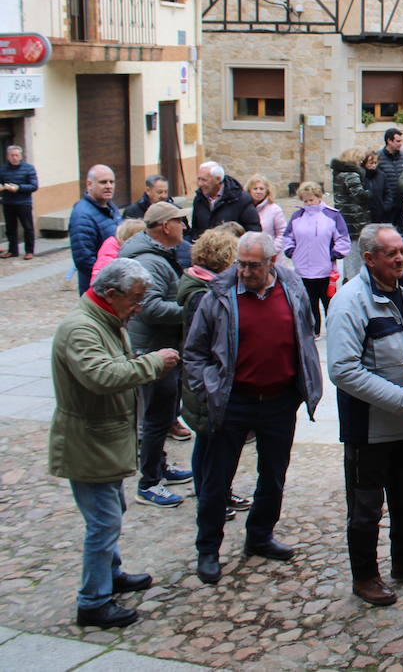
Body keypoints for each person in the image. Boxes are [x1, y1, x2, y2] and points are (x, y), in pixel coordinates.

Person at [183, 232, 324, 586]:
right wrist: (209, 388)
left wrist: (303, 385)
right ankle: (208, 549)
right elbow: (194, 352)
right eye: (240, 264)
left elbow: (305, 335)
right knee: (217, 479)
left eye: (253, 265)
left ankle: (260, 536)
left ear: (272, 262)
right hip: (233, 400)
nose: (244, 271)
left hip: (279, 399)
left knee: (273, 474)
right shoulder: (218, 296)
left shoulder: (292, 290)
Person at [49, 258, 180, 628]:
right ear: (111, 294)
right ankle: (92, 601)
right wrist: (152, 364)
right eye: (135, 299)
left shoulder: (107, 319)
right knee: (104, 522)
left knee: (111, 511)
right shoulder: (81, 328)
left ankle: (111, 575)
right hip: (88, 441)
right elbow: (101, 374)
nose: (139, 307)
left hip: (103, 438)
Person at [327, 224, 403, 608]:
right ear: (369, 258)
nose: (400, 258)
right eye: (391, 253)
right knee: (365, 508)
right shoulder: (349, 302)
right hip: (369, 429)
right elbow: (343, 370)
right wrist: (401, 398)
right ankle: (365, 576)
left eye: (401, 250)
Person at [120, 202, 192, 509]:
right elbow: (150, 309)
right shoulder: (149, 261)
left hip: (161, 346)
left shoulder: (158, 255)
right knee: (154, 417)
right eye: (179, 222)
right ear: (165, 226)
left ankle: (159, 467)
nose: (184, 228)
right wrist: (193, 309)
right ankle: (149, 482)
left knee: (162, 414)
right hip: (152, 348)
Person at [175, 228, 242, 513]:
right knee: (207, 443)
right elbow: (202, 344)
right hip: (205, 381)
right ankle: (208, 497)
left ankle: (219, 494)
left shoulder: (203, 285)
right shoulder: (201, 293)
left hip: (208, 379)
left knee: (215, 443)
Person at [281, 182, 350, 335]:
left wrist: (334, 254)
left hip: (324, 268)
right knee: (309, 302)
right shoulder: (297, 216)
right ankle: (314, 330)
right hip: (303, 267)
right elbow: (287, 237)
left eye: (311, 200)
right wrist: (291, 251)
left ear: (319, 197)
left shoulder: (332, 215)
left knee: (328, 302)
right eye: (305, 201)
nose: (308, 204)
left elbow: (343, 238)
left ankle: (334, 330)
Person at [70, 165, 123, 295]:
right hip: (99, 288)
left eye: (111, 182)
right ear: (89, 184)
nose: (109, 186)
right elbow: (84, 260)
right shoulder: (82, 215)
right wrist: (112, 279)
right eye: (103, 182)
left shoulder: (111, 207)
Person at [189, 162, 261, 240]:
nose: (200, 184)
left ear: (218, 179)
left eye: (204, 180)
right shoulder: (199, 199)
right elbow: (195, 230)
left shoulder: (240, 199)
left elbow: (253, 232)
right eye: (198, 179)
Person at [332, 148, 372, 279]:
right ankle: (354, 281)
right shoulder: (351, 175)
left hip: (344, 217)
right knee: (356, 255)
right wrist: (371, 193)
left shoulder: (338, 174)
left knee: (348, 255)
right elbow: (359, 195)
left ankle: (347, 279)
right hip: (355, 219)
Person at [377, 128, 403, 254]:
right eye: (397, 141)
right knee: (386, 235)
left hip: (402, 203)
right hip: (386, 204)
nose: (400, 143)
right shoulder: (379, 157)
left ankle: (402, 258)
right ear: (389, 141)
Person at [0, 147, 38, 258]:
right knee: (10, 228)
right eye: (12, 155)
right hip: (8, 202)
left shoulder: (29, 168)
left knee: (28, 227)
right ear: (7, 156)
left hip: (23, 203)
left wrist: (18, 187)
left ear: (21, 156)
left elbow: (34, 186)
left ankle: (29, 251)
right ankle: (12, 250)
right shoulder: (2, 169)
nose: (14, 158)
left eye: (16, 155)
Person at [246, 174, 287, 249]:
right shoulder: (244, 208)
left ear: (267, 191)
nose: (258, 192)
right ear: (249, 190)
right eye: (255, 189)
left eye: (261, 189)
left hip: (270, 255)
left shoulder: (275, 209)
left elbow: (282, 232)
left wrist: (273, 250)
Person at [362, 151, 390, 226]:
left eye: (375, 163)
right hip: (365, 214)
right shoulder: (361, 176)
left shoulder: (382, 176)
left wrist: (385, 207)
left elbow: (387, 193)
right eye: (371, 163)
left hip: (379, 214)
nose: (374, 166)